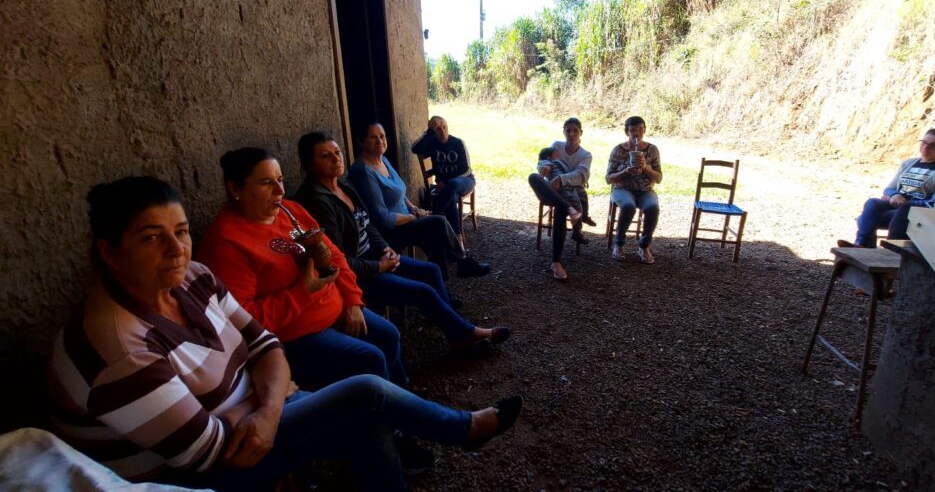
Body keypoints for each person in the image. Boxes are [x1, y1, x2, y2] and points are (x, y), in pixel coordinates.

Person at [48, 176, 523, 492]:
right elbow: (207, 451)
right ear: (110, 253)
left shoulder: (192, 276)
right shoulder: (118, 345)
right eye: (151, 237)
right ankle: (460, 429)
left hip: (260, 412)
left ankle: (438, 429)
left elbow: (264, 345)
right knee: (365, 390)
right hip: (200, 474)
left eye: (180, 230)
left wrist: (267, 406)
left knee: (369, 409)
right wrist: (269, 399)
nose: (175, 249)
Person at [196, 147, 406, 392]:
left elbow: (335, 256)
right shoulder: (227, 243)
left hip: (336, 307)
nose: (280, 191)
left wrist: (352, 301)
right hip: (297, 334)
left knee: (389, 334)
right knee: (369, 357)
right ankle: (384, 421)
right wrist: (302, 292)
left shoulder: (289, 210)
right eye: (266, 183)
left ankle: (401, 398)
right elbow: (243, 320)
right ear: (235, 189)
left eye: (280, 180)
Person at [293, 131, 511, 350]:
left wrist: (385, 248)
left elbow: (367, 224)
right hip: (358, 276)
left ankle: (454, 326)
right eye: (325, 156)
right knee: (423, 289)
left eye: (337, 152)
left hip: (376, 255)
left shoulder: (343, 186)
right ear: (308, 164)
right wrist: (379, 265)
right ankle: (464, 333)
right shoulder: (317, 202)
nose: (335, 158)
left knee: (431, 270)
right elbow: (338, 260)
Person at [348, 122, 490, 281]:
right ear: (361, 141)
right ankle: (461, 261)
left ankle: (442, 287)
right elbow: (383, 218)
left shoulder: (382, 160)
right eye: (373, 137)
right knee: (438, 222)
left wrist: (414, 208)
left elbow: (400, 192)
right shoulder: (363, 172)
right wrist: (413, 217)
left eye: (382, 136)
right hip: (391, 230)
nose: (380, 141)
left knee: (435, 234)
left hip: (407, 217)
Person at [838, 128, 935, 248]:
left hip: (913, 211)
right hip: (895, 204)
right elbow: (889, 188)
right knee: (872, 203)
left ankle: (871, 247)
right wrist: (894, 195)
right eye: (923, 142)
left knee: (866, 219)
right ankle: (861, 244)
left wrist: (908, 203)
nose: (926, 148)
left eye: (934, 146)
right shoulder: (908, 163)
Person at [528, 117, 593, 280]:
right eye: (568, 130)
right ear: (563, 131)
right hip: (551, 191)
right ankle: (570, 209)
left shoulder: (585, 155)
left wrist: (561, 179)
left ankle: (555, 262)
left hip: (571, 193)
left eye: (575, 131)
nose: (571, 134)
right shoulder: (556, 145)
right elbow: (542, 160)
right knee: (532, 177)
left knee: (560, 209)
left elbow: (582, 175)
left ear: (581, 133)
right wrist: (543, 167)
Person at [606, 115, 662, 264]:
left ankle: (644, 246)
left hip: (645, 190)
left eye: (640, 129)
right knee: (628, 206)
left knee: (652, 208)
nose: (636, 133)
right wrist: (625, 172)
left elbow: (658, 178)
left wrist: (646, 168)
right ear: (626, 132)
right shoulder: (618, 150)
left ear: (644, 130)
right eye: (632, 130)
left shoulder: (652, 150)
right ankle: (619, 244)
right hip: (622, 188)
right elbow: (608, 178)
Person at [411, 116, 476, 237]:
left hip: (465, 180)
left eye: (444, 127)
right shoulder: (432, 145)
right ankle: (458, 238)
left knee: (453, 184)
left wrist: (444, 181)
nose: (442, 131)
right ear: (433, 132)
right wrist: (429, 131)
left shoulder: (458, 143)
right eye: (438, 129)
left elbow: (466, 169)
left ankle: (434, 213)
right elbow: (414, 149)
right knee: (450, 198)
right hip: (446, 187)